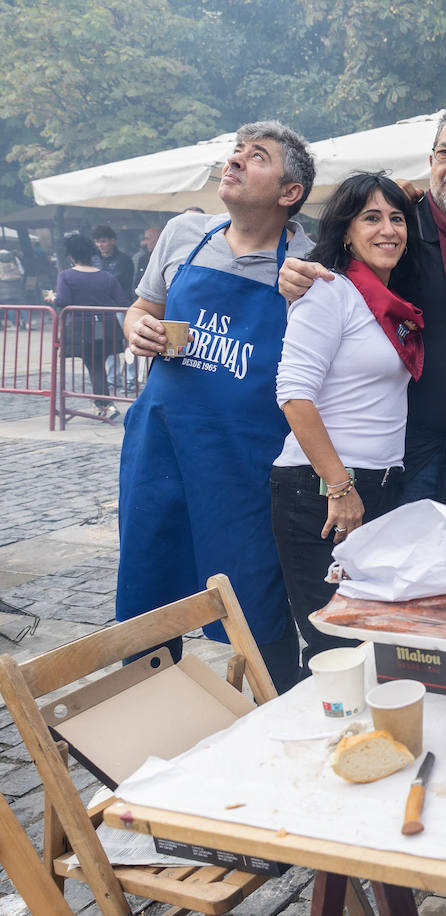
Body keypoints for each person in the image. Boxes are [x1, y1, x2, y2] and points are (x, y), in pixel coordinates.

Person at [121, 121, 316, 691]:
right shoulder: (185, 233)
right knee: (150, 581)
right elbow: (142, 308)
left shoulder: (308, 260)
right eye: (236, 152)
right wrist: (138, 328)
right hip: (161, 449)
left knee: (253, 595)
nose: (234, 161)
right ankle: (153, 709)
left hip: (245, 462)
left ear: (289, 192)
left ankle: (275, 709)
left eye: (256, 156)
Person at [279, 107, 446, 511]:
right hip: (407, 453)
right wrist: (294, 274)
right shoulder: (398, 229)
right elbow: (331, 267)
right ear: (431, 162)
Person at [271, 172, 420, 677]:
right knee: (336, 647)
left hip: (379, 486)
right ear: (347, 232)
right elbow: (293, 395)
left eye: (397, 219)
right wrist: (340, 486)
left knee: (374, 642)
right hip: (323, 490)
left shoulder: (384, 301)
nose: (388, 230)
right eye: (371, 218)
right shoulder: (328, 291)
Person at [50, 235, 123, 421]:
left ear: (71, 256)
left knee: (94, 365)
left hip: (80, 328)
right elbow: (122, 301)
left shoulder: (66, 276)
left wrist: (52, 299)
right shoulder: (107, 277)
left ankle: (105, 404)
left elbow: (64, 300)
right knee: (97, 364)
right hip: (107, 326)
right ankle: (103, 403)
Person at [91, 225, 135, 303]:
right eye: (97, 242)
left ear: (113, 241)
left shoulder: (124, 260)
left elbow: (118, 283)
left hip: (117, 303)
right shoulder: (92, 258)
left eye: (103, 241)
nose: (100, 245)